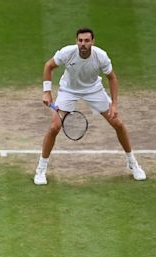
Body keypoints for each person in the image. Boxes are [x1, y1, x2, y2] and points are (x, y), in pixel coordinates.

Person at [34, 27, 146, 185]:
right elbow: (48, 66)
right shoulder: (67, 52)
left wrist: (114, 105)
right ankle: (41, 169)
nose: (83, 44)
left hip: (94, 90)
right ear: (76, 41)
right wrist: (46, 91)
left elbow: (112, 79)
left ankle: (133, 163)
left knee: (118, 124)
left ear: (92, 42)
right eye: (80, 41)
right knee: (54, 127)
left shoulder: (101, 56)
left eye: (87, 41)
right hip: (69, 90)